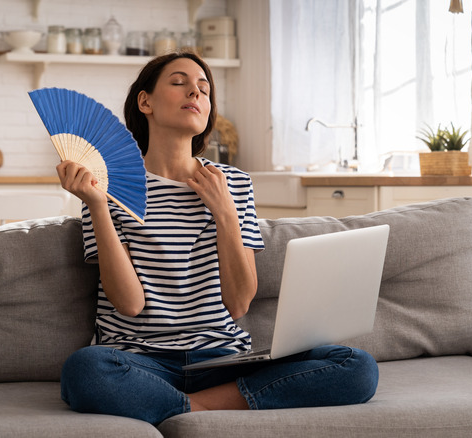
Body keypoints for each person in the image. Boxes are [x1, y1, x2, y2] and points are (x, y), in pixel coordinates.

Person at [56, 51, 378, 426]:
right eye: (179, 83)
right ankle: (211, 409)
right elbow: (129, 304)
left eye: (204, 89)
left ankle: (186, 408)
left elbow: (239, 303)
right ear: (145, 101)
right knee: (85, 370)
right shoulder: (106, 188)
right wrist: (96, 205)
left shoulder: (234, 184)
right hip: (140, 359)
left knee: (357, 367)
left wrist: (225, 212)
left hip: (222, 359)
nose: (195, 92)